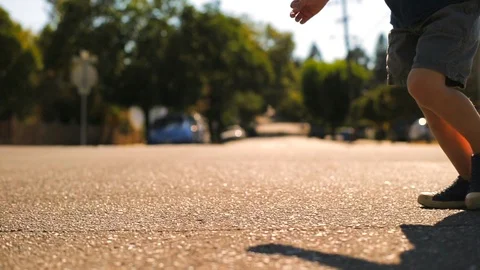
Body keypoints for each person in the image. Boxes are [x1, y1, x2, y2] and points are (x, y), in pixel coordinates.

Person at [289, 0, 480, 209]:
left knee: (423, 84)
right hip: (405, 20)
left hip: (449, 7)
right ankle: (468, 176)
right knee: (426, 97)